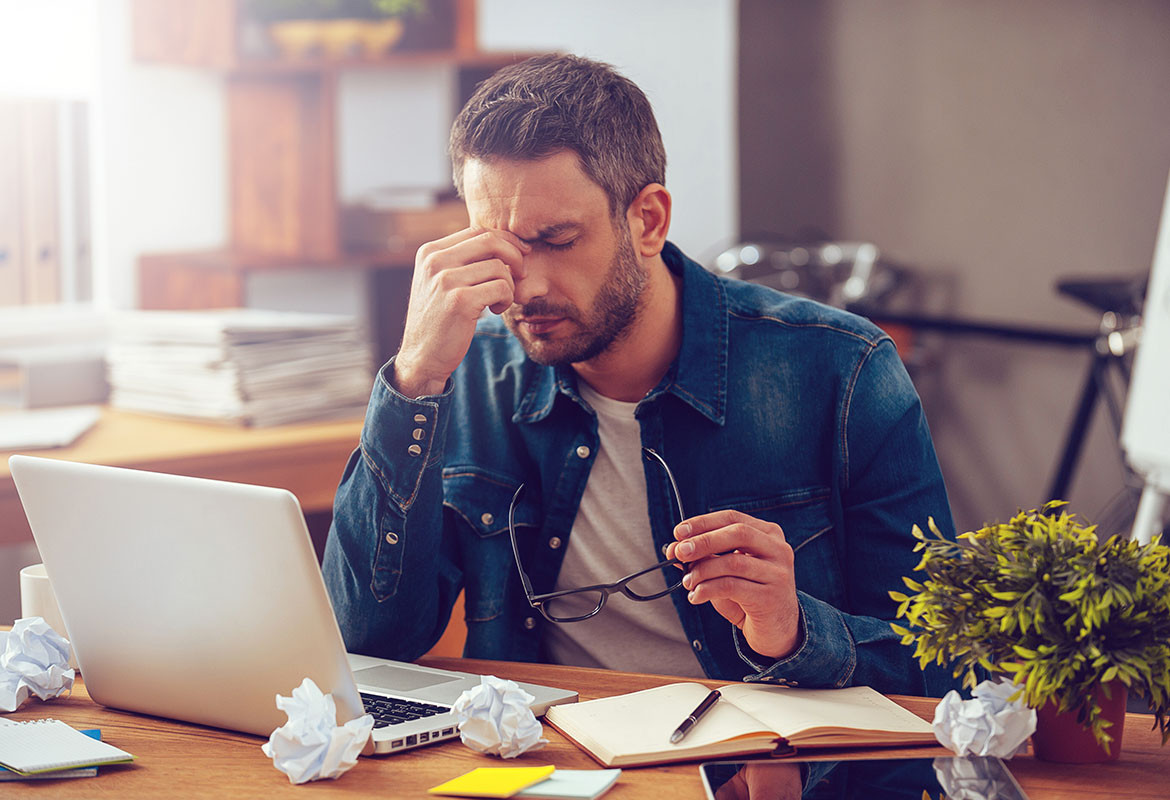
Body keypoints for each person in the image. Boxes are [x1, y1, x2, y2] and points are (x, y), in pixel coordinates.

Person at [323, 53, 957, 695]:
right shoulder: (470, 370)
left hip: (764, 773)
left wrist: (794, 631)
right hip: (549, 763)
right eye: (502, 245)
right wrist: (414, 381)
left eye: (558, 239)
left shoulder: (843, 371)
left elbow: (947, 670)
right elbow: (368, 645)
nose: (526, 285)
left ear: (648, 220)